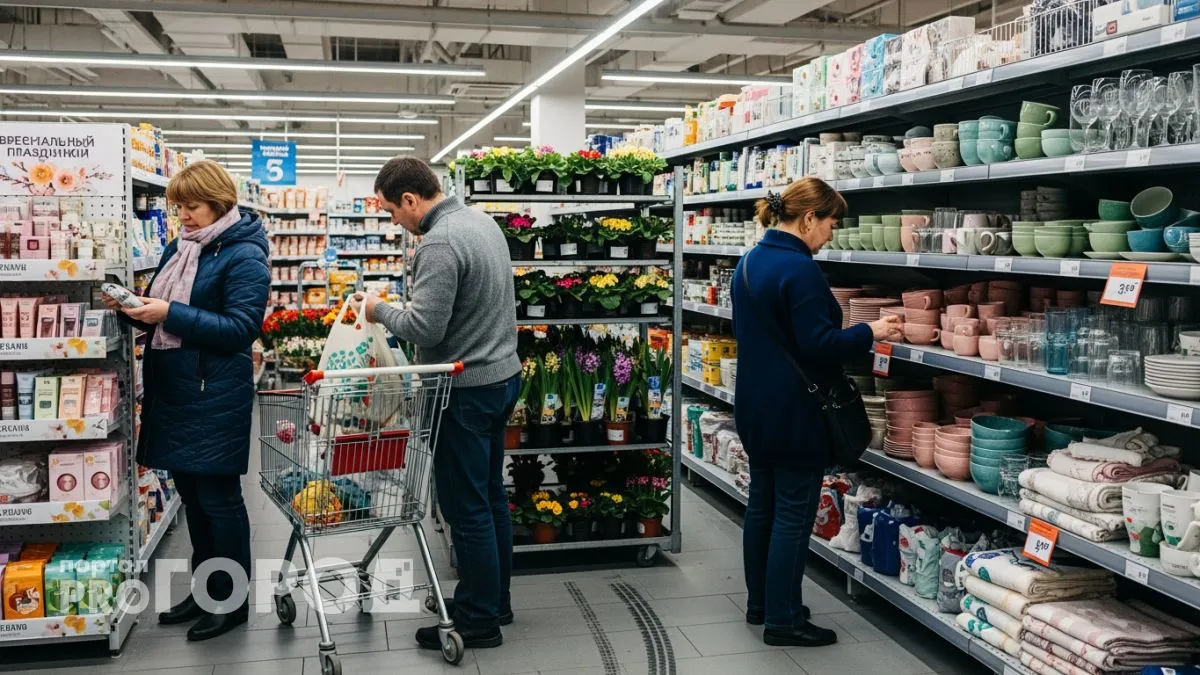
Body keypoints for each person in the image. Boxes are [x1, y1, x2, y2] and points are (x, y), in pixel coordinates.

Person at [731, 177, 901, 648]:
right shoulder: (800, 271)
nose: (832, 233)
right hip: (796, 410)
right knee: (792, 515)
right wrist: (872, 329)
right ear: (808, 219)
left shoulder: (748, 262)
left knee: (761, 506)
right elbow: (820, 346)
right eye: (831, 223)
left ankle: (762, 603)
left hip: (755, 406)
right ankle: (783, 620)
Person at [103, 160, 270, 642]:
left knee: (219, 500)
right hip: (176, 390)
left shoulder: (245, 255)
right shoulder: (181, 248)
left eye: (192, 207)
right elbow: (163, 318)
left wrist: (170, 312)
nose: (184, 217)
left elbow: (241, 329)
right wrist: (136, 310)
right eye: (178, 208)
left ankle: (231, 601)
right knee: (193, 499)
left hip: (212, 392)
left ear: (219, 203)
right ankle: (206, 589)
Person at [359, 156, 521, 650]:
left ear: (411, 199)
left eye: (391, 211)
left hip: (464, 390)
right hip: (501, 376)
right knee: (490, 497)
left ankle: (476, 622)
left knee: (464, 506)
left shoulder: (441, 242)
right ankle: (495, 600)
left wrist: (379, 309)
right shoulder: (480, 221)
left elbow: (426, 328)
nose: (394, 222)